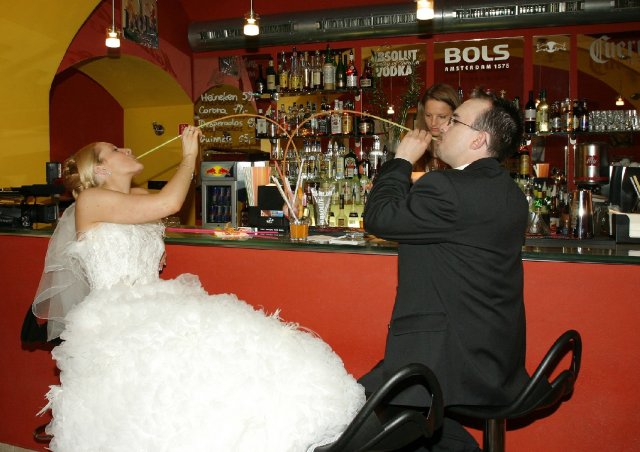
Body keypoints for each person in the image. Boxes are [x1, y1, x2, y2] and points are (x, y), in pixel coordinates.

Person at [32, 126, 365, 452]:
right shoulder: (91, 200)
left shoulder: (137, 196)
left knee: (232, 356)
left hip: (155, 302)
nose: (127, 149)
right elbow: (170, 204)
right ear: (100, 169)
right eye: (116, 150)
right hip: (116, 316)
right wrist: (189, 157)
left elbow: (159, 207)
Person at [359, 90, 530, 451]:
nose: (441, 128)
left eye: (454, 121)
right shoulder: (511, 193)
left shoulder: (446, 187)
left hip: (452, 362)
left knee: (346, 415)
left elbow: (378, 218)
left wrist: (401, 161)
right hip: (497, 359)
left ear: (478, 139)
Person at [413, 83, 461, 172]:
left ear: (455, 116)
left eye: (441, 117)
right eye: (428, 115)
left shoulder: (463, 151)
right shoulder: (416, 147)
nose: (433, 123)